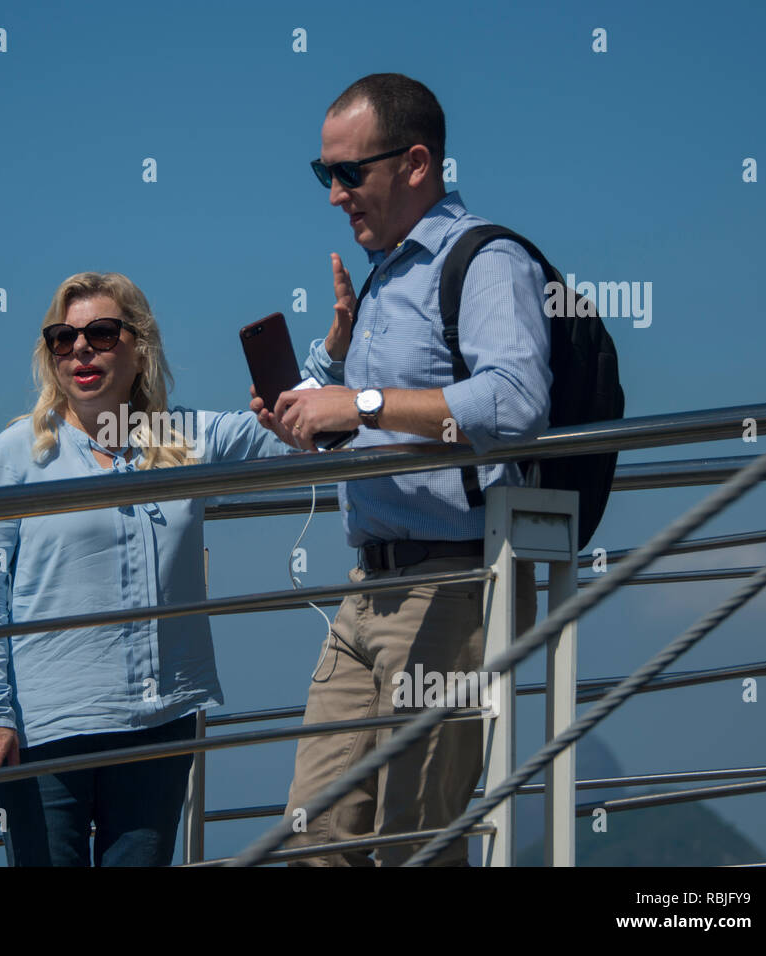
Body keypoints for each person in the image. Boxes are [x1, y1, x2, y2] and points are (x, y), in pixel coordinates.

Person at [252, 73, 548, 866]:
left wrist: (363, 402)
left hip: (455, 585)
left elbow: (517, 403)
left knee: (413, 847)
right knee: (313, 840)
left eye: (349, 173)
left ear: (417, 163)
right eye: (324, 175)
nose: (334, 195)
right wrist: (316, 412)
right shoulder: (385, 273)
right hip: (369, 589)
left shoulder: (487, 261)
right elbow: (383, 420)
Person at [0, 271, 289, 866]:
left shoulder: (179, 437)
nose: (80, 348)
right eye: (64, 338)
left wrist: (329, 361)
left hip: (159, 725)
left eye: (101, 334)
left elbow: (288, 437)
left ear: (141, 348)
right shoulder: (17, 453)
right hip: (45, 734)